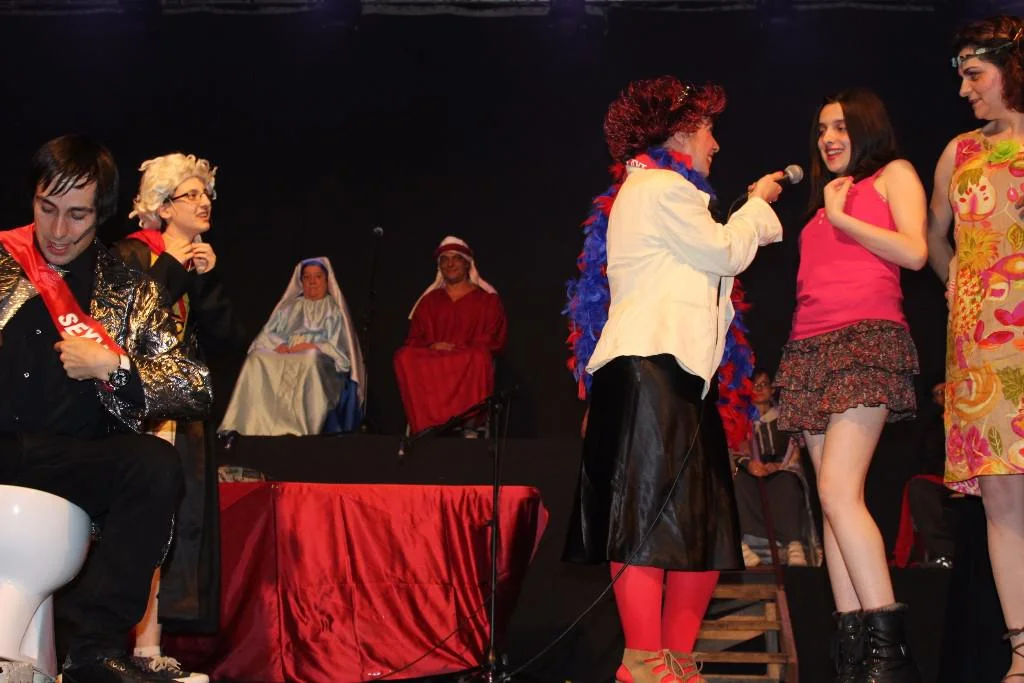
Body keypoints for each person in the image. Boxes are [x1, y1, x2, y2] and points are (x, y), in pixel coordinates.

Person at [562, 75, 785, 683]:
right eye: (709, 130)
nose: (715, 144)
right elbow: (727, 251)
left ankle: (677, 661)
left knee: (702, 521)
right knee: (646, 518)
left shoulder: (662, 192)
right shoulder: (660, 187)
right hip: (648, 372)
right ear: (681, 132)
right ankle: (643, 660)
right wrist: (758, 204)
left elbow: (711, 265)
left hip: (680, 377)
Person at [0, 134, 212, 683]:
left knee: (155, 464)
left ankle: (93, 650)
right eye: (46, 208)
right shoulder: (3, 261)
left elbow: (194, 387)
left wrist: (114, 366)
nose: (57, 230)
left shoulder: (128, 287)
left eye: (77, 215)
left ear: (102, 214)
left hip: (73, 459)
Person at [774, 87, 927, 682]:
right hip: (810, 347)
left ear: (866, 127)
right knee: (830, 500)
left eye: (839, 126)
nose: (828, 139)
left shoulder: (893, 175)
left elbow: (915, 252)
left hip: (867, 339)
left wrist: (842, 219)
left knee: (840, 491)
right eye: (821, 130)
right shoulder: (823, 205)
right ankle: (855, 657)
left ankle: (890, 659)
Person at [112, 153, 247, 682]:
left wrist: (205, 281)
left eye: (206, 193)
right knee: (136, 526)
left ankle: (152, 647)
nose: (204, 201)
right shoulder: (131, 254)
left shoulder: (197, 265)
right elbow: (133, 319)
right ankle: (116, 645)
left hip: (181, 417)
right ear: (164, 206)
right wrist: (173, 264)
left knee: (174, 529)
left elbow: (230, 342)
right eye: (192, 194)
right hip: (136, 414)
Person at [926, 15, 1024, 680]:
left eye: (974, 75)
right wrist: (955, 280)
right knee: (1000, 498)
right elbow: (934, 236)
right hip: (981, 347)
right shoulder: (958, 153)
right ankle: (1021, 652)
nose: (964, 90)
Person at [219, 257, 364, 437]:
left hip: (320, 361)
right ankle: (247, 425)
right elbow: (265, 335)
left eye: (318, 277)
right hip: (287, 353)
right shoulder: (290, 308)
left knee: (309, 358)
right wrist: (280, 344)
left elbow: (341, 351)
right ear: (300, 281)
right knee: (256, 358)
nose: (312, 281)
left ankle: (302, 428)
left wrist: (313, 346)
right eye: (307, 277)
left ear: (327, 281)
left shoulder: (334, 310)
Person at [393, 236, 506, 436]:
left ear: (467, 264)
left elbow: (494, 338)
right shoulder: (429, 302)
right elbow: (414, 338)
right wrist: (432, 345)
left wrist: (459, 347)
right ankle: (426, 424)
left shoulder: (487, 301)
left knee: (479, 357)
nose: (450, 264)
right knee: (404, 356)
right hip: (434, 358)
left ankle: (469, 423)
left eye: (456, 258)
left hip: (466, 358)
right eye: (445, 259)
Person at [733, 369, 818, 568]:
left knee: (788, 483)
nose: (759, 389)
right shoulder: (740, 419)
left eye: (764, 384)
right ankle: (746, 546)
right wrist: (749, 464)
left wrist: (778, 465)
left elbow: (794, 450)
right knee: (739, 484)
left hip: (781, 469)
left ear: (772, 389)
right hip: (750, 470)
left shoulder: (785, 419)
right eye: (754, 385)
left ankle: (793, 545)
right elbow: (733, 448)